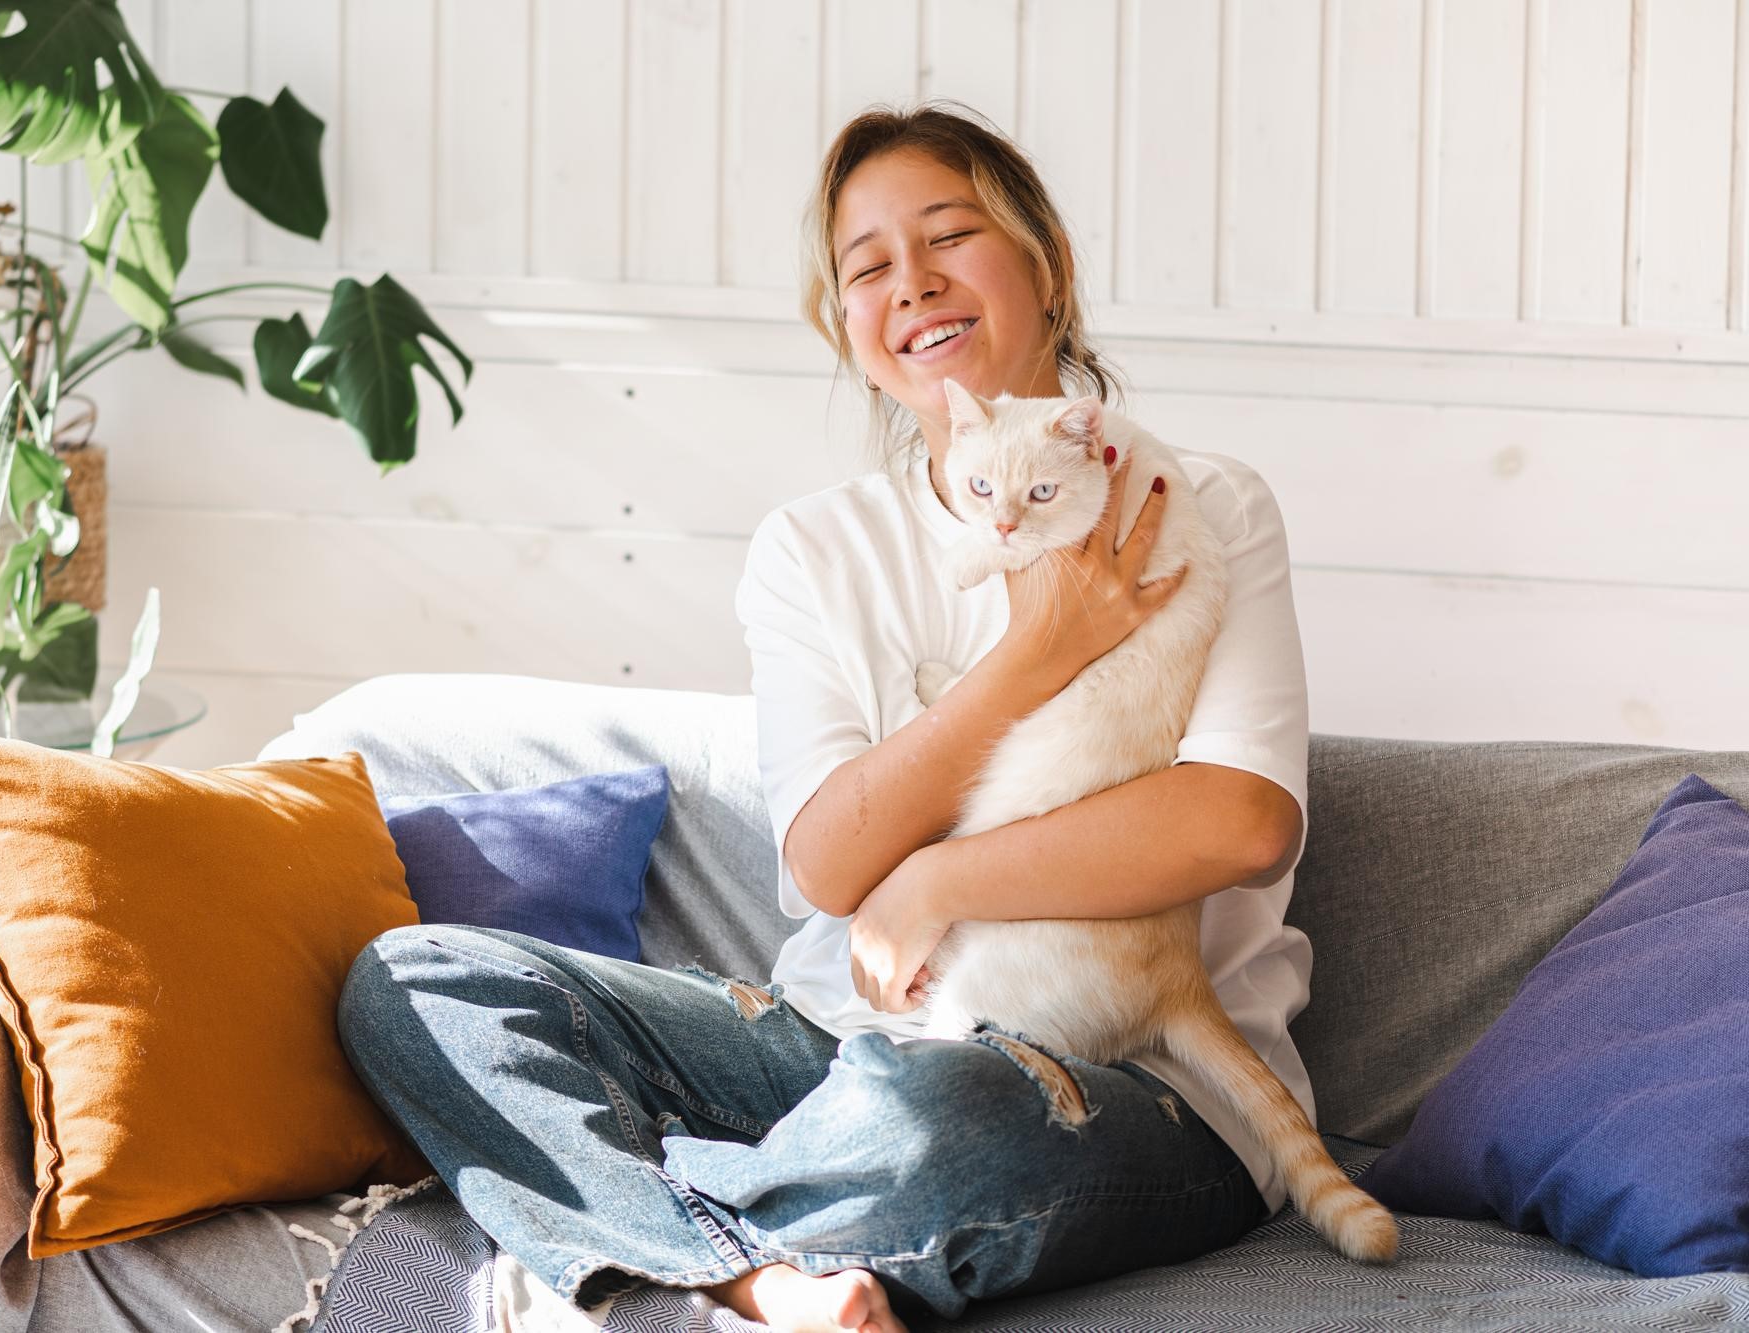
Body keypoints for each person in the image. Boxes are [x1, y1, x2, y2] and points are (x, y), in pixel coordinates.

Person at [337, 101, 1313, 1333]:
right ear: (844, 328)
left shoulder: (1201, 499)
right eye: (867, 268)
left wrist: (937, 883)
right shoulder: (814, 549)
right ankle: (758, 1284)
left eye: (950, 236)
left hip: (1120, 1083)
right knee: (414, 982)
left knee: (939, 1126)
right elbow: (826, 861)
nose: (912, 284)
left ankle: (597, 1248)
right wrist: (1036, 650)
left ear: (1046, 268)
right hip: (828, 1053)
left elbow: (1234, 823)